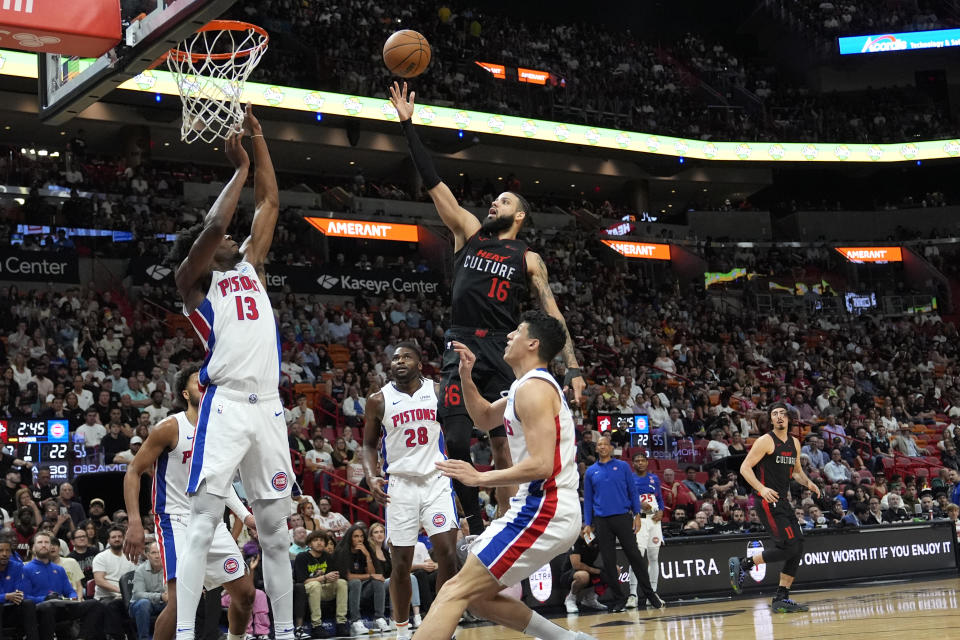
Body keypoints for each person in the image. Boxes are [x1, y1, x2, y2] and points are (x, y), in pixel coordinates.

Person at [389, 82, 586, 536]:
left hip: (504, 349)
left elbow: (552, 314)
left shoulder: (528, 258)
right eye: (495, 199)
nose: (493, 202)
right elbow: (435, 184)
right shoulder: (469, 232)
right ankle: (474, 522)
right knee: (456, 439)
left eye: (505, 201)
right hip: (461, 344)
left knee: (504, 451)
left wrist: (573, 368)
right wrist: (407, 125)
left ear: (519, 216)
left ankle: (507, 522)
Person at [169, 108, 296, 640]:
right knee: (202, 523)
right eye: (214, 244)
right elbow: (216, 224)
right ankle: (181, 633)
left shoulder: (250, 267)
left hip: (268, 405)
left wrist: (261, 140)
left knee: (275, 533)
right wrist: (238, 167)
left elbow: (272, 202)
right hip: (223, 404)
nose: (228, 241)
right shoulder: (192, 283)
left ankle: (286, 633)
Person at [412, 311, 594, 640]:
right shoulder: (521, 388)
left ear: (533, 343)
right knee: (477, 599)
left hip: (544, 507)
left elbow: (541, 465)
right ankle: (567, 639)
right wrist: (466, 375)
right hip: (541, 506)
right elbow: (482, 418)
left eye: (516, 333)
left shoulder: (534, 390)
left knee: (454, 590)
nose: (508, 338)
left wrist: (479, 477)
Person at [123, 365, 258, 640]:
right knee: (180, 603)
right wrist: (135, 522)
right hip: (175, 521)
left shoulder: (220, 430)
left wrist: (245, 516)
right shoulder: (170, 427)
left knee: (246, 595)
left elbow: (218, 482)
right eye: (199, 382)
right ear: (185, 393)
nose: (206, 385)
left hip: (210, 519)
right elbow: (133, 471)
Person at [360, 342, 460, 640]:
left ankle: (441, 623)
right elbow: (367, 445)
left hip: (436, 479)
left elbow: (456, 429)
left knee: (448, 555)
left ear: (419, 363)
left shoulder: (439, 391)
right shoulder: (378, 400)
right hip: (400, 486)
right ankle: (402, 630)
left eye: (406, 357)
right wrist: (370, 476)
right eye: (395, 358)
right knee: (400, 564)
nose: (399, 361)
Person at [729, 403, 821, 613]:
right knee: (788, 547)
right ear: (771, 420)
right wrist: (761, 489)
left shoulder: (795, 443)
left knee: (797, 547)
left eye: (782, 414)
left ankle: (781, 597)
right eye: (774, 414)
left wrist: (809, 483)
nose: (779, 417)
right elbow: (745, 468)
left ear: (789, 418)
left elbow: (796, 471)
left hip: (783, 502)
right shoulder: (765, 441)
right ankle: (743, 563)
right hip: (767, 502)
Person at [582, 436, 663, 612]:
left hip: (623, 517)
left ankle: (650, 594)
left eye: (605, 444)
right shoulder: (590, 471)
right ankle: (619, 599)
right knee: (609, 562)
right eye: (599, 445)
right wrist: (587, 523)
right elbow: (588, 500)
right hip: (602, 521)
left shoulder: (623, 467)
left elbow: (633, 492)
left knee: (635, 556)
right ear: (596, 449)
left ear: (611, 448)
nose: (602, 447)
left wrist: (636, 515)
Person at [22, 531, 106, 640]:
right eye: (40, 542)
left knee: (95, 604)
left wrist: (72, 598)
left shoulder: (59, 569)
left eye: (47, 542)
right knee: (48, 607)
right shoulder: (26, 569)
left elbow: (69, 590)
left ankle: (82, 637)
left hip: (61, 605)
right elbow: (25, 597)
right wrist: (45, 598)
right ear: (33, 547)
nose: (44, 545)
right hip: (40, 609)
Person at [627, 449, 665, 609]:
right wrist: (636, 504)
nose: (640, 463)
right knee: (637, 556)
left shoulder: (653, 478)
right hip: (640, 519)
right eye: (637, 460)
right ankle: (633, 594)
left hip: (654, 519)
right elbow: (625, 499)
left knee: (654, 556)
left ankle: (652, 594)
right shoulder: (629, 478)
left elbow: (659, 498)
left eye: (643, 460)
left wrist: (662, 511)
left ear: (647, 462)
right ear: (633, 463)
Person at [293, 530, 348, 639]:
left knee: (342, 583)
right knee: (315, 585)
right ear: (309, 544)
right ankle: (316, 625)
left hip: (324, 588)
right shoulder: (302, 557)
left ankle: (341, 623)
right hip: (308, 590)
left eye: (322, 540)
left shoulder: (328, 556)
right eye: (315, 540)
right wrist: (323, 577)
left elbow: (331, 577)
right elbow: (302, 581)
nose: (319, 543)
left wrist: (333, 577)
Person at [0, 536, 40, 640]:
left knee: (28, 603)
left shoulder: (17, 566)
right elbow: (10, 595)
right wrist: (6, 596)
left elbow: (19, 592)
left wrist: (11, 596)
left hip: (11, 609)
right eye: (0, 550)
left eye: (7, 551)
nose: (4, 554)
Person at [560, 528, 608, 614]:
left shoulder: (595, 540)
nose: (584, 531)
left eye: (586, 528)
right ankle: (570, 599)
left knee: (615, 570)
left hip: (589, 571)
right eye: (582, 528)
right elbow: (576, 565)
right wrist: (596, 571)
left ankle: (590, 599)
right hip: (569, 574)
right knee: (583, 575)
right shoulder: (576, 540)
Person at [130, 541, 167, 640]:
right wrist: (160, 596)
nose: (157, 556)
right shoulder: (140, 570)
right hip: (140, 605)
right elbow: (138, 594)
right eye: (153, 553)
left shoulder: (169, 568)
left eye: (159, 552)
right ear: (147, 555)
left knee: (174, 603)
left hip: (162, 603)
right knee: (144, 603)